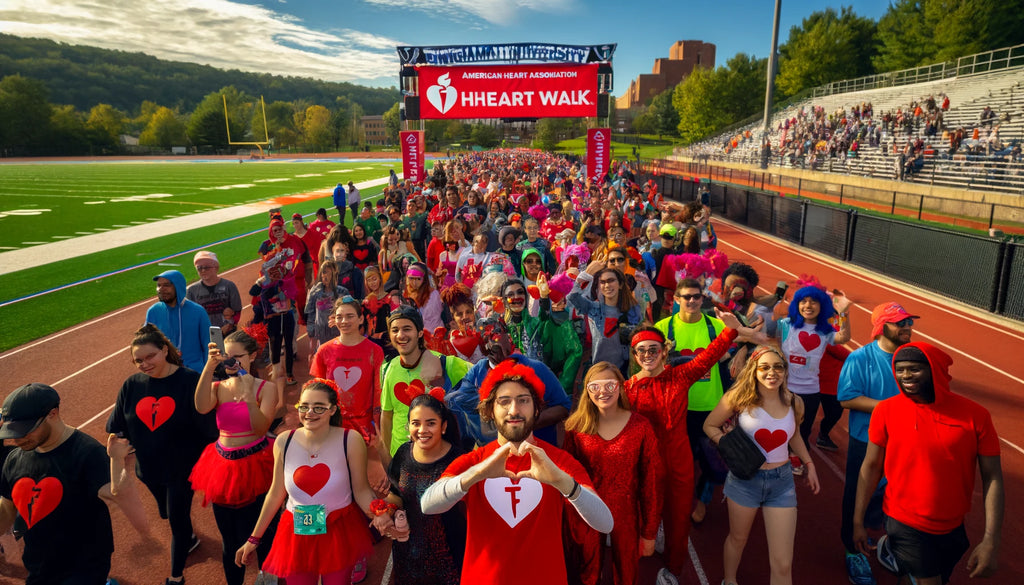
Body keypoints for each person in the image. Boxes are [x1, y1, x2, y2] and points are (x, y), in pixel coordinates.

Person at [421, 359, 615, 585]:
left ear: (536, 409)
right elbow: (427, 504)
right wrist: (476, 474)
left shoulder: (557, 462)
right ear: (490, 410)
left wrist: (563, 483)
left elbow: (605, 524)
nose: (514, 410)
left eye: (523, 401)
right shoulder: (474, 462)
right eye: (504, 402)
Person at [853, 342, 1003, 585]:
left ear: (935, 370)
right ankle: (896, 552)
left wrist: (991, 539)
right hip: (903, 521)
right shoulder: (886, 411)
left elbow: (993, 477)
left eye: (914, 369)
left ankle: (896, 562)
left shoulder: (976, 416)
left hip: (952, 526)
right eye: (899, 370)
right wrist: (857, 520)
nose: (905, 376)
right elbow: (871, 466)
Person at [625, 314, 751, 585]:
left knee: (680, 517)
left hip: (679, 460)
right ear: (634, 355)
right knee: (644, 510)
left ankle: (672, 568)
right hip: (645, 463)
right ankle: (650, 536)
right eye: (641, 350)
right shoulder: (628, 389)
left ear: (664, 352)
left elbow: (708, 357)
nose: (648, 355)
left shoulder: (680, 376)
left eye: (653, 349)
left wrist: (730, 331)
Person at [0, 383, 145, 585]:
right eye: (11, 432)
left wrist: (117, 461)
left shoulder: (88, 453)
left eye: (25, 430)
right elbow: (7, 508)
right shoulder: (14, 459)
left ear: (53, 414)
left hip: (83, 566)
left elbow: (118, 495)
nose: (16, 439)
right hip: (38, 565)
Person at [235, 380, 376, 585]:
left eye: (319, 407)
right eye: (304, 406)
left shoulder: (350, 439)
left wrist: (380, 515)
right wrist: (253, 538)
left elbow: (362, 491)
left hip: (338, 530)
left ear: (333, 409)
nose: (310, 412)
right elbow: (276, 493)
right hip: (296, 532)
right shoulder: (284, 441)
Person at [106, 324, 217, 585]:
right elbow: (117, 425)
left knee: (177, 520)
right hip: (147, 470)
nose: (144, 364)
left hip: (183, 469)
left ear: (164, 351)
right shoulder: (132, 385)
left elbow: (208, 427)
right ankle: (188, 537)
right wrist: (116, 445)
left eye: (150, 357)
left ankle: (176, 576)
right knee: (166, 512)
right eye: (138, 361)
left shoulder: (190, 381)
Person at [703, 346, 821, 585]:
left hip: (782, 483)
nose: (772, 373)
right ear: (754, 370)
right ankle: (730, 580)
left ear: (785, 371)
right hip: (745, 481)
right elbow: (709, 426)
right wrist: (728, 444)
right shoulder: (738, 398)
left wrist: (809, 463)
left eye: (778, 367)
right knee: (738, 539)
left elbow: (794, 435)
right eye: (764, 367)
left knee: (783, 562)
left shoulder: (795, 402)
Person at [838, 301, 919, 584]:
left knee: (898, 497)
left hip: (906, 441)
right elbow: (847, 397)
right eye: (901, 323)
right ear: (882, 327)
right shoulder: (860, 358)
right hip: (867, 441)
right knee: (857, 497)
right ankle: (853, 551)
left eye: (909, 322)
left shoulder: (911, 358)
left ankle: (888, 545)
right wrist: (892, 408)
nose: (908, 327)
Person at [191, 331, 280, 585]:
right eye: (225, 357)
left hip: (257, 466)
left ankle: (268, 577)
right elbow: (200, 406)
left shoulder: (267, 388)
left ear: (252, 356)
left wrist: (249, 398)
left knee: (262, 532)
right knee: (229, 540)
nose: (230, 362)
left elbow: (261, 428)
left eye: (236, 357)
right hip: (222, 467)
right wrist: (209, 366)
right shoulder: (218, 387)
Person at [564, 363, 663, 585]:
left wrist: (649, 533)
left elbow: (652, 482)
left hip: (627, 511)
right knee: (587, 570)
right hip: (588, 510)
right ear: (587, 391)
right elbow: (568, 476)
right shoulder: (576, 427)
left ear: (621, 387)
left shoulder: (641, 427)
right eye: (595, 386)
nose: (603, 392)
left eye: (610, 385)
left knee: (627, 571)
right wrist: (571, 522)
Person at [372, 392, 467, 585]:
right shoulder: (404, 453)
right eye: (416, 423)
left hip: (450, 556)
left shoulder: (460, 461)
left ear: (444, 426)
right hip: (408, 553)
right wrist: (384, 512)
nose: (422, 430)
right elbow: (397, 495)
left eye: (431, 423)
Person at [447, 315, 571, 448]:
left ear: (509, 338)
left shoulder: (536, 368)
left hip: (537, 451)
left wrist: (528, 421)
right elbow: (455, 398)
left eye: (498, 335)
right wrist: (487, 403)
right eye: (486, 337)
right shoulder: (478, 371)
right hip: (496, 456)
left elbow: (563, 407)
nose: (493, 343)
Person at [380, 307, 470, 458]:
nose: (400, 335)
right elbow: (387, 416)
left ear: (420, 333)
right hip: (401, 459)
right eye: (395, 330)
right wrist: (387, 458)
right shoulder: (388, 368)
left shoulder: (444, 363)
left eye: (407, 329)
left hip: (438, 457)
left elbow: (484, 375)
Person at [147, 269, 211, 373]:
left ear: (178, 286)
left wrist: (207, 371)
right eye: (159, 285)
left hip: (194, 372)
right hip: (164, 372)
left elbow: (207, 343)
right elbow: (148, 344)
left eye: (166, 285)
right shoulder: (153, 311)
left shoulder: (198, 311)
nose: (161, 289)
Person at [187, 251, 242, 335]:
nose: (203, 271)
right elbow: (190, 316)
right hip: (204, 335)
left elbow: (237, 310)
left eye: (206, 267)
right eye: (199, 268)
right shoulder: (191, 291)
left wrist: (230, 324)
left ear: (216, 268)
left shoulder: (229, 286)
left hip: (228, 332)